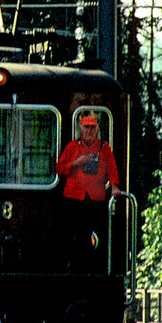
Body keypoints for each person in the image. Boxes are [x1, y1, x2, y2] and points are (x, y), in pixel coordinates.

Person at [55, 112, 124, 273]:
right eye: (86, 127)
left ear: (98, 129)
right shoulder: (72, 147)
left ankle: (92, 268)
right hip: (73, 198)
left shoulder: (104, 148)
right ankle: (71, 268)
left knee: (92, 235)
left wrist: (114, 186)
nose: (89, 131)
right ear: (80, 128)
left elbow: (112, 170)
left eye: (93, 127)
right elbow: (59, 168)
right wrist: (76, 163)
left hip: (95, 198)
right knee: (72, 235)